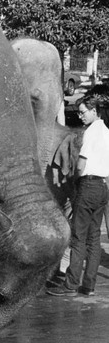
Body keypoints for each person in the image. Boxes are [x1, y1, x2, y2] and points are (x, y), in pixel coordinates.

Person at [47, 94, 109, 297]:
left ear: (94, 111)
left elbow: (81, 164)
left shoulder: (91, 133)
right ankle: (88, 285)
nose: (80, 116)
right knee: (94, 238)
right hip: (102, 186)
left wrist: (74, 179)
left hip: (88, 184)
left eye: (83, 112)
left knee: (78, 237)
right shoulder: (107, 132)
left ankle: (71, 283)